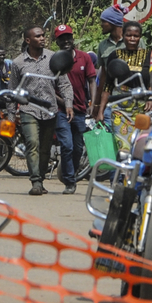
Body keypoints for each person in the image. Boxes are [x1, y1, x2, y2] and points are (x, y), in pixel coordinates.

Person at [10, 26, 74, 196]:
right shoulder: (18, 63)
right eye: (37, 36)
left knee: (45, 148)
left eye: (43, 35)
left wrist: (68, 104)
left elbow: (64, 84)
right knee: (32, 144)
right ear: (28, 40)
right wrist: (10, 115)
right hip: (28, 109)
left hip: (49, 110)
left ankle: (42, 178)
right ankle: (36, 181)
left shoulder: (54, 58)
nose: (42, 38)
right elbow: (12, 90)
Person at [53, 24, 97, 195]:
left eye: (68, 37)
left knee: (78, 148)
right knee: (67, 145)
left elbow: (92, 81)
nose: (66, 41)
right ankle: (70, 182)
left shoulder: (84, 58)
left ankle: (70, 173)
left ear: (73, 38)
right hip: (61, 109)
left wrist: (93, 102)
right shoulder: (55, 60)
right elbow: (51, 86)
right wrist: (64, 103)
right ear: (57, 41)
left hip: (80, 109)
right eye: (61, 38)